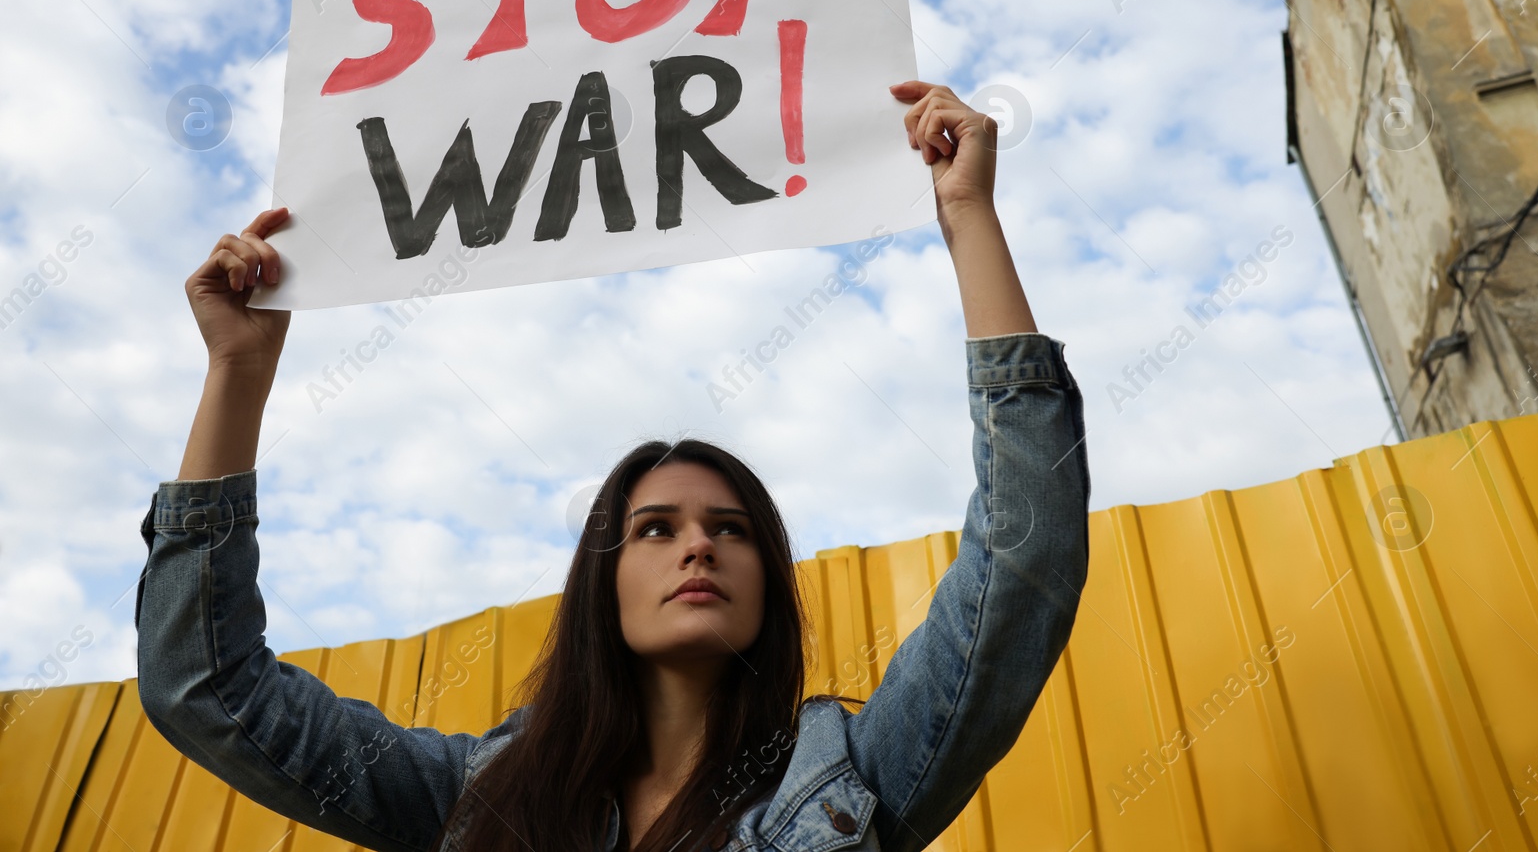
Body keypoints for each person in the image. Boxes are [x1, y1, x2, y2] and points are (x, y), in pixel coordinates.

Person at [135, 81, 1090, 852]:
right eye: (655, 528)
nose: (698, 548)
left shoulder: (854, 778)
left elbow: (1022, 562)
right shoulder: (474, 797)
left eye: (731, 529)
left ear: (769, 575)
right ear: (604, 577)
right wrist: (236, 372)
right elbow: (206, 686)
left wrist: (967, 214)